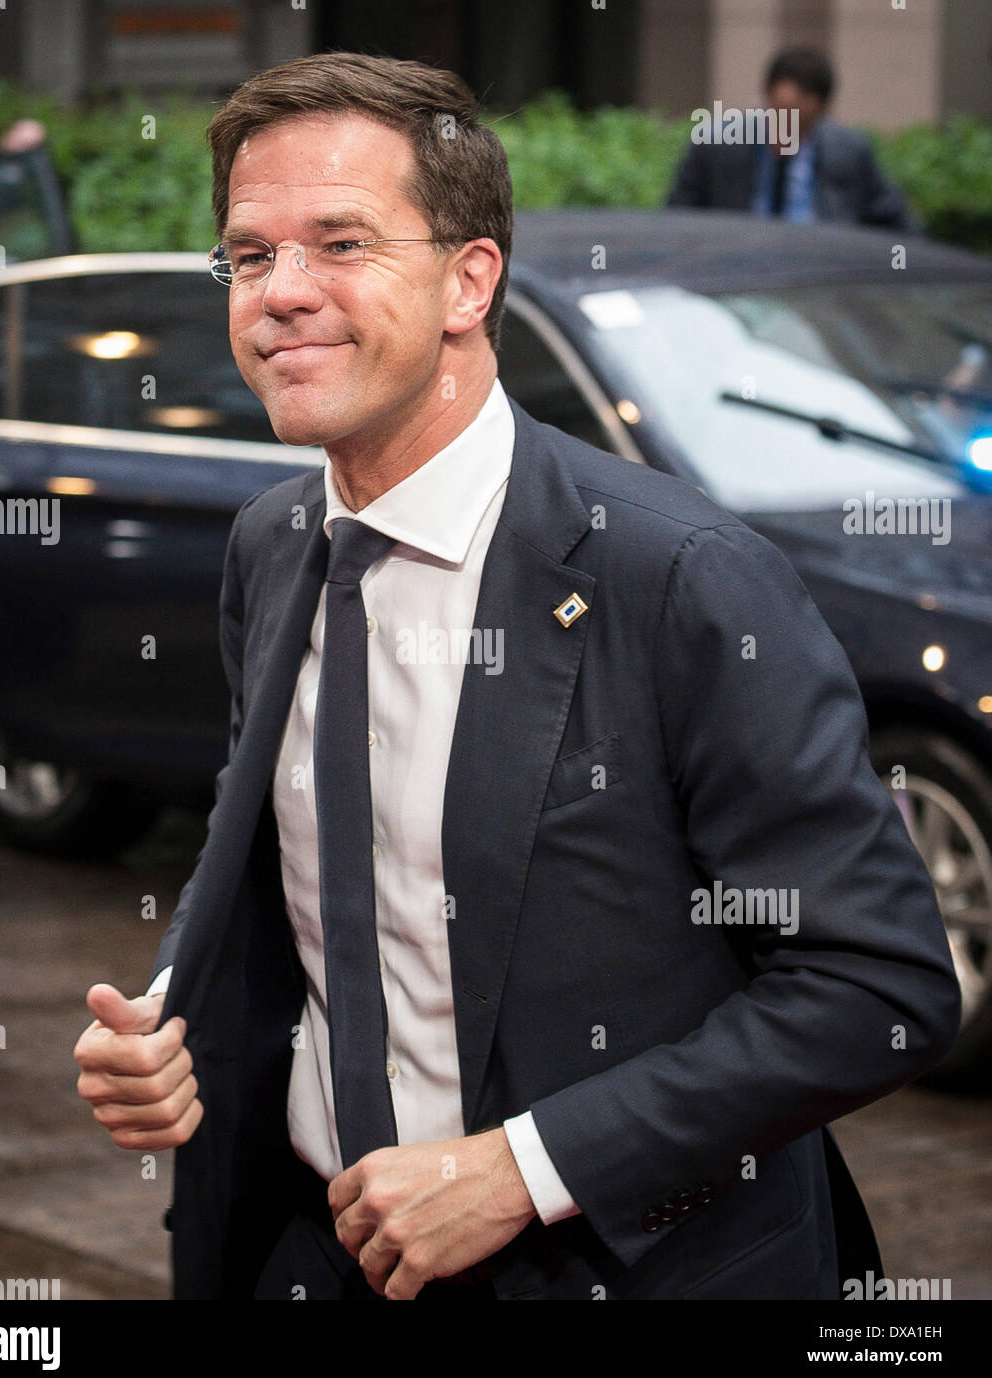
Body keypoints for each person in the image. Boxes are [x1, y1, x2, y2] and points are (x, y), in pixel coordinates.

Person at [74, 52, 959, 1301]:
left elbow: (880, 985)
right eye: (252, 253)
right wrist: (174, 1014)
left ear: (468, 280)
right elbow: (298, 865)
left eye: (341, 243)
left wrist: (524, 1169)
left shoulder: (682, 576)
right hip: (311, 1250)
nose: (281, 293)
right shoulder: (272, 543)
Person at [668, 45, 918, 231]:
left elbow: (897, 224)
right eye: (777, 113)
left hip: (817, 274)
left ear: (821, 110)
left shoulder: (850, 152)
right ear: (766, 99)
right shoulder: (716, 146)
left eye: (795, 117)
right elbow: (677, 222)